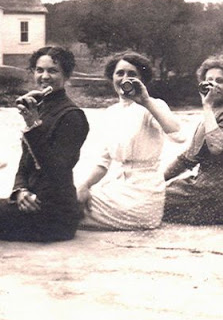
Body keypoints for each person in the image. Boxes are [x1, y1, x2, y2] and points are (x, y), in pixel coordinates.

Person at [76, 51, 183, 230]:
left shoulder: (153, 106)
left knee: (65, 207)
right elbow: (102, 163)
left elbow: (178, 136)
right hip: (117, 189)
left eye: (132, 74)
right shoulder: (111, 113)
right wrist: (84, 185)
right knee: (69, 199)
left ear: (142, 80)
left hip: (143, 196)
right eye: (120, 73)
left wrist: (146, 102)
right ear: (112, 77)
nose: (125, 78)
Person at [0, 46, 89, 242]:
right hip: (30, 203)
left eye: (53, 71)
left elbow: (58, 169)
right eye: (39, 70)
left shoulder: (72, 116)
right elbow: (25, 162)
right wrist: (20, 191)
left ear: (66, 75)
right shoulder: (39, 107)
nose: (44, 76)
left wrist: (33, 126)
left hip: (55, 214)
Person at [163, 56, 223, 225]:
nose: (213, 85)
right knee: (156, 191)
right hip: (208, 190)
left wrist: (207, 106)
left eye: (220, 81)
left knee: (151, 199)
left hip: (212, 196)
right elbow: (188, 158)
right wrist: (158, 179)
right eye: (209, 80)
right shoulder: (214, 114)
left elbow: (216, 147)